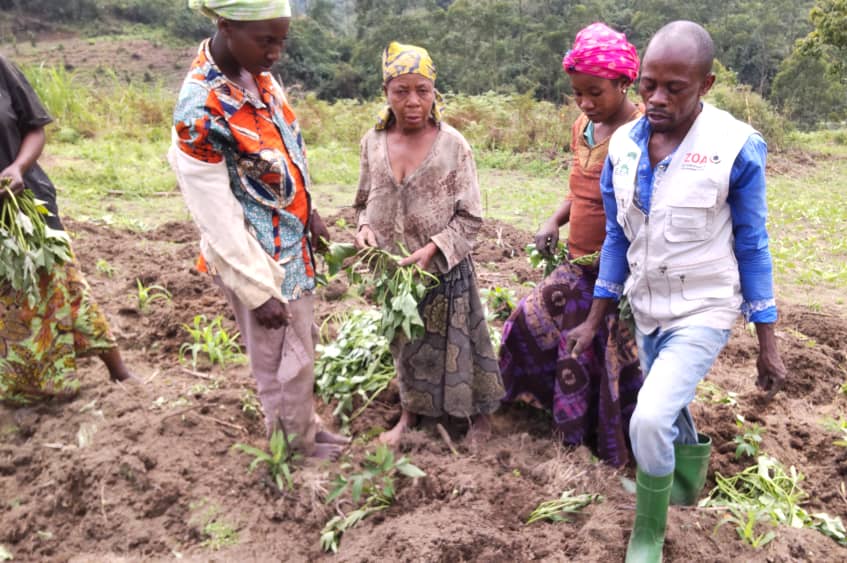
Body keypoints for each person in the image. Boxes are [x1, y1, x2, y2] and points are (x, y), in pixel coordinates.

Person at [565, 21, 788, 562]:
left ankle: (649, 530)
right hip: (646, 306)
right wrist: (595, 318)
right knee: (671, 405)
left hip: (704, 307)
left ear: (706, 84)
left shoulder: (736, 148)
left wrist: (768, 343)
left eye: (676, 88)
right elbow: (619, 235)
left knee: (649, 414)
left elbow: (753, 246)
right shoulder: (622, 146)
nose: (657, 99)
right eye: (648, 85)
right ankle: (682, 486)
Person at [168, 0, 344, 459]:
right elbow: (214, 214)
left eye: (281, 40)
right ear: (226, 26)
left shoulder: (258, 77)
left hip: (291, 244)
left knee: (300, 347)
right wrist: (256, 288)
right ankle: (293, 451)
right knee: (280, 360)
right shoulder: (200, 106)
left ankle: (306, 426)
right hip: (259, 260)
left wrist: (312, 216)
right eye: (266, 40)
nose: (275, 53)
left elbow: (284, 153)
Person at [498, 23, 643, 468]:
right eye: (578, 92)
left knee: (587, 350)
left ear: (623, 83)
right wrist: (553, 219)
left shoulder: (640, 135)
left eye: (595, 92)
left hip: (616, 271)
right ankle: (530, 404)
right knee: (525, 319)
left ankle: (591, 439)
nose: (585, 103)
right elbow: (578, 191)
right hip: (578, 262)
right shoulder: (584, 126)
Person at [353, 41, 505, 447]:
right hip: (395, 274)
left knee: (462, 344)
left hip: (444, 271)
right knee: (406, 347)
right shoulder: (373, 141)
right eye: (401, 91)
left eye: (422, 90)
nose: (413, 101)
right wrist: (365, 227)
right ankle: (410, 415)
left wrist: (435, 248)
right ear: (386, 91)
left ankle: (477, 420)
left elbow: (471, 216)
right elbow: (363, 202)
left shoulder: (452, 145)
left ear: (435, 91)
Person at [0, 54, 134, 404]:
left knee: (62, 283)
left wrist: (17, 166)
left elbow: (34, 127)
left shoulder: (2, 69)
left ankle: (119, 371)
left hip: (25, 204)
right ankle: (23, 391)